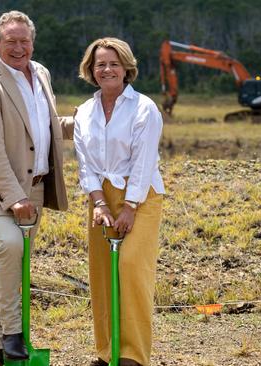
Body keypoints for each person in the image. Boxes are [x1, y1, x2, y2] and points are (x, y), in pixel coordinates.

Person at [0, 10, 73, 366]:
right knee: (10, 247)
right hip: (1, 188)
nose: (18, 47)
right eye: (10, 41)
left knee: (15, 262)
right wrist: (16, 198)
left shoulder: (41, 73)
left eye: (24, 40)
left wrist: (92, 118)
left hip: (36, 186)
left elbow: (45, 124)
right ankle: (13, 333)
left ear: (33, 42)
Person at [73, 37, 165, 366]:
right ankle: (106, 350)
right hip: (101, 197)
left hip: (140, 195)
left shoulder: (144, 108)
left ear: (126, 68)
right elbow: (85, 163)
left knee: (129, 268)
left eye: (114, 63)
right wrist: (98, 202)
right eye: (100, 64)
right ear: (91, 70)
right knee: (102, 273)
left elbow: (143, 162)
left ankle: (132, 355)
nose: (107, 69)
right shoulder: (84, 111)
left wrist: (130, 206)